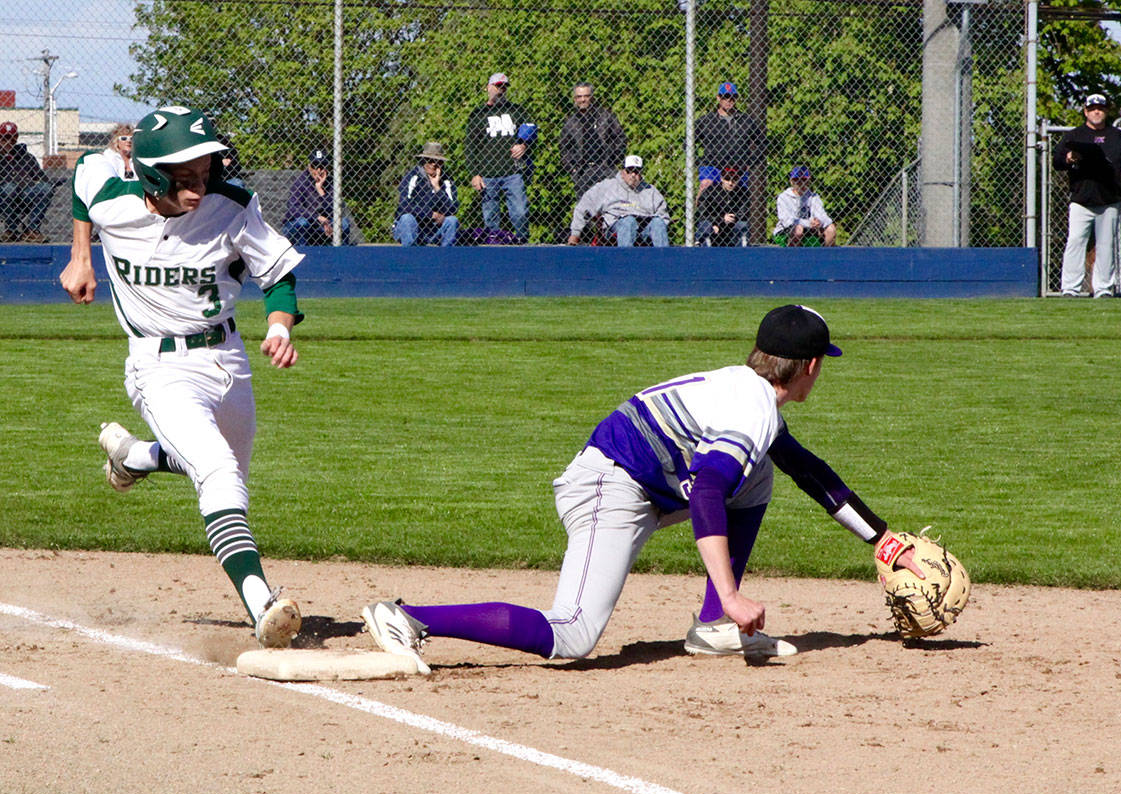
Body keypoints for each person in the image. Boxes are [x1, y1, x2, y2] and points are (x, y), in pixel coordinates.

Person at [361, 305, 926, 666]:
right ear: (809, 366)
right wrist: (732, 593)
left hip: (640, 483)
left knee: (759, 475)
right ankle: (410, 617)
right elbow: (708, 492)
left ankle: (713, 629)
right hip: (608, 488)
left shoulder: (747, 393)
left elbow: (809, 470)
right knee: (573, 634)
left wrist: (883, 541)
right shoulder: (750, 411)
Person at [58, 105, 305, 649]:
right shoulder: (113, 199)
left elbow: (279, 277)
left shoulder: (232, 205)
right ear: (149, 174)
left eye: (205, 172)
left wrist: (279, 327)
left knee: (223, 473)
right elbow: (84, 173)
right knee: (217, 472)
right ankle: (261, 603)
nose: (199, 186)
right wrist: (81, 256)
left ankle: (135, 456)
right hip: (157, 365)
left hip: (228, 359)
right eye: (185, 176)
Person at [1050, 92, 1121, 298]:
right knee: (1075, 243)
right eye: (1092, 109)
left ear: (1106, 111)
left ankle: (1103, 288)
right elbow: (1057, 161)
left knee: (1106, 246)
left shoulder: (1118, 137)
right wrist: (1068, 158)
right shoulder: (1074, 136)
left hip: (1109, 201)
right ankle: (1070, 288)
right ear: (1085, 111)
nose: (1096, 112)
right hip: (1081, 200)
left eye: (1100, 109)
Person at [465, 72, 534, 244]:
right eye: (497, 86)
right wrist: (475, 174)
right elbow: (470, 147)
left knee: (520, 212)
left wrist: (524, 145)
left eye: (504, 87)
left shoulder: (517, 110)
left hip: (513, 171)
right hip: (488, 174)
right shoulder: (478, 114)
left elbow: (532, 132)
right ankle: (494, 246)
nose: (501, 90)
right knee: (490, 216)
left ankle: (522, 243)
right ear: (488, 87)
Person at [567, 154, 669, 247]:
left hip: (644, 229)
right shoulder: (607, 187)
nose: (633, 175)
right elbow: (584, 207)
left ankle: (664, 259)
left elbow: (663, 215)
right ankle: (625, 259)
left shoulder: (650, 191)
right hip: (615, 227)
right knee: (629, 222)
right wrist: (575, 234)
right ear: (622, 171)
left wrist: (658, 221)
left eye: (637, 171)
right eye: (629, 170)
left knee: (658, 223)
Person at [693, 81, 765, 193]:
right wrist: (699, 162)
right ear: (718, 98)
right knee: (705, 185)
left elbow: (763, 143)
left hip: (738, 168)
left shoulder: (746, 120)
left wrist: (750, 162)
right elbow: (688, 143)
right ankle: (699, 205)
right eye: (725, 96)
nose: (729, 100)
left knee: (741, 195)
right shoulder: (706, 120)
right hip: (712, 166)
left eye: (732, 97)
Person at [559, 83, 627, 199]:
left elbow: (620, 138)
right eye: (579, 97)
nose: (583, 100)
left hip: (605, 168)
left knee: (610, 203)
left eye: (586, 96)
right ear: (575, 99)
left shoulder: (606, 116)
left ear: (592, 97)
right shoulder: (570, 123)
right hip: (583, 171)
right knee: (586, 206)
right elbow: (564, 148)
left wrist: (613, 160)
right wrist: (573, 169)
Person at [393, 142, 459, 247]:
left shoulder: (447, 180)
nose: (434, 164)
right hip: (413, 226)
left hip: (434, 229)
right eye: (430, 160)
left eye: (438, 161)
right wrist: (430, 214)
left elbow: (453, 208)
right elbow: (404, 205)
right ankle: (410, 254)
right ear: (423, 161)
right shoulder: (413, 176)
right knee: (407, 218)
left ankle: (446, 255)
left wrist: (437, 187)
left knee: (452, 221)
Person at [0, 121, 55, 243]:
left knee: (45, 188)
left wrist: (37, 183)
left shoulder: (26, 157)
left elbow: (42, 178)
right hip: (3, 197)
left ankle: (32, 230)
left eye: (12, 139)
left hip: (24, 193)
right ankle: (11, 230)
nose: (8, 142)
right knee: (9, 188)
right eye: (4, 138)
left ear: (16, 138)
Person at [282, 149, 350, 246]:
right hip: (300, 224)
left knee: (344, 223)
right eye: (315, 166)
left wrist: (320, 190)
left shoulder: (331, 183)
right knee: (302, 223)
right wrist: (316, 217)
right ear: (309, 166)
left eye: (322, 166)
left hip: (323, 226)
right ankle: (302, 252)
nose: (318, 170)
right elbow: (294, 208)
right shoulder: (300, 182)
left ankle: (341, 253)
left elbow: (336, 209)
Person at [772, 166, 836, 246]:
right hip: (786, 231)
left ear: (808, 181)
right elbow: (787, 221)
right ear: (791, 182)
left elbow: (822, 215)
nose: (801, 183)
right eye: (797, 180)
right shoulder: (784, 197)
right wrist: (809, 223)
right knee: (798, 229)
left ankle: (826, 253)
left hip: (809, 231)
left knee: (831, 229)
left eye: (804, 180)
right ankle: (791, 253)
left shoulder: (813, 197)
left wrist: (819, 222)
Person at [696, 165, 750, 246]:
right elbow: (702, 212)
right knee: (705, 224)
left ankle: (742, 250)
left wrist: (731, 218)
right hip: (714, 225)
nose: (730, 183)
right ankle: (704, 249)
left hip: (732, 226)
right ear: (721, 178)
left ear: (739, 179)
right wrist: (720, 219)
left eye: (734, 179)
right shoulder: (711, 191)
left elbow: (743, 213)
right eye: (727, 179)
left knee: (742, 224)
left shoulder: (743, 192)